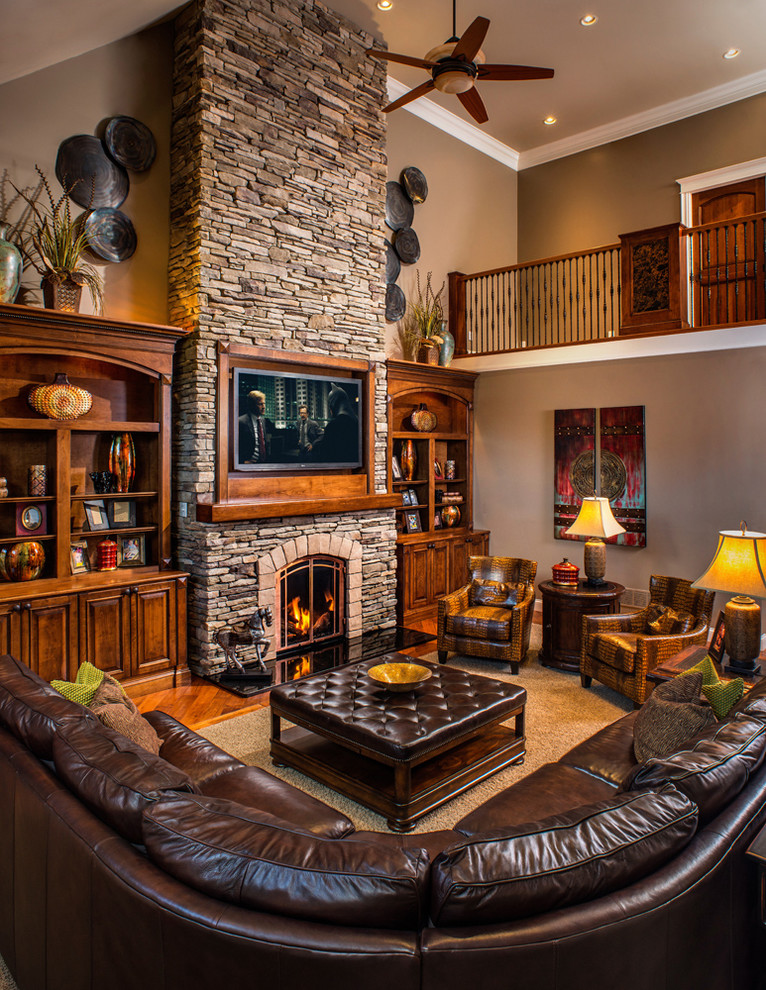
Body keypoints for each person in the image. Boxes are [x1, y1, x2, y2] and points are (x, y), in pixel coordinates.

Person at [309, 383, 359, 463]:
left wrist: (315, 444)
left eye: (330, 405)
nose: (330, 410)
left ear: (334, 404)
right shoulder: (357, 422)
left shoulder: (334, 426)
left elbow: (325, 455)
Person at [238, 389, 275, 464]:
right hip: (249, 465)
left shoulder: (263, 421)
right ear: (252, 405)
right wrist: (242, 462)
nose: (264, 407)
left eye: (264, 404)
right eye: (260, 404)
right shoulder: (240, 422)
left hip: (264, 463)